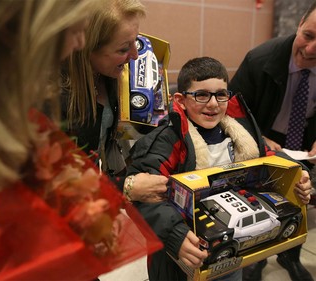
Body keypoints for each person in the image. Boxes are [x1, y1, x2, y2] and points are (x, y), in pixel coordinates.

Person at [0, 1, 163, 280]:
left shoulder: (102, 82)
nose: (78, 42)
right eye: (73, 31)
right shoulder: (38, 105)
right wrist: (125, 188)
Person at [126, 57, 312, 281]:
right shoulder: (167, 141)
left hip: (231, 252)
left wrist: (298, 174)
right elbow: (144, 198)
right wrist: (176, 235)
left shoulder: (241, 133)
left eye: (221, 94)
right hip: (181, 257)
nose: (213, 104)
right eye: (202, 95)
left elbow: (267, 157)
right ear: (181, 99)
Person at [229, 2, 316, 280]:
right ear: (299, 23)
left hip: (306, 140)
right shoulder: (259, 59)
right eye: (309, 36)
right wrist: (260, 137)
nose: (311, 50)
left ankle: (290, 255)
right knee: (264, 198)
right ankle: (257, 255)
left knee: (301, 194)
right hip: (261, 135)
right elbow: (231, 111)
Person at [60, 0, 168, 203]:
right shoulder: (53, 100)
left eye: (136, 42)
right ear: (85, 47)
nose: (135, 56)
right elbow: (59, 186)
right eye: (123, 49)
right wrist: (125, 188)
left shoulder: (110, 74)